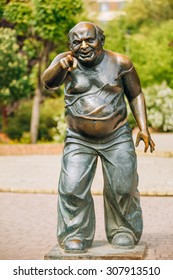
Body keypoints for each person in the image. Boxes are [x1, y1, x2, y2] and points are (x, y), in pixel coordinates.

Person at [42, 21, 155, 253]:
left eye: (89, 39)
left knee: (123, 186)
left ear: (101, 39)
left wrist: (143, 127)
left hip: (117, 135)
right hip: (78, 138)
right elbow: (48, 82)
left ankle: (123, 229)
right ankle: (75, 233)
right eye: (77, 41)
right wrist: (61, 67)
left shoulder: (120, 63)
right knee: (72, 187)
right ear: (70, 45)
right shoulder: (65, 61)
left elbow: (136, 94)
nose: (83, 45)